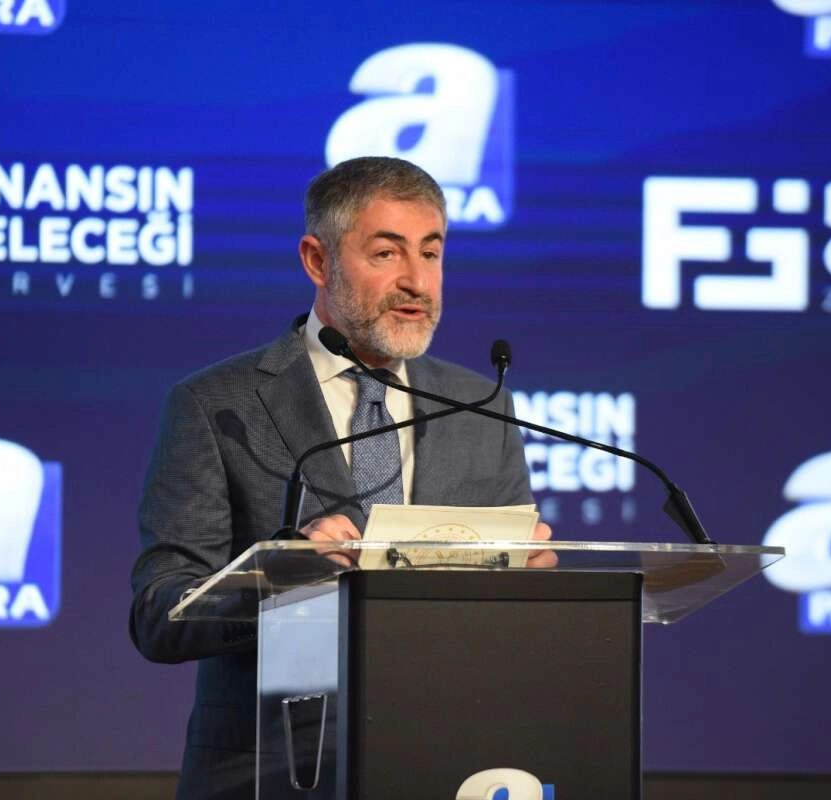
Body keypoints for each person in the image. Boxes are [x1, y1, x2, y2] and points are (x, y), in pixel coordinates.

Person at [129, 156, 554, 799]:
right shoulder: (217, 404)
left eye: (431, 252)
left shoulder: (480, 406)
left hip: (447, 763)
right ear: (317, 260)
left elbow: (509, 610)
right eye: (386, 253)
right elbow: (159, 615)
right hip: (271, 772)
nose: (417, 281)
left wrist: (534, 585)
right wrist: (281, 580)